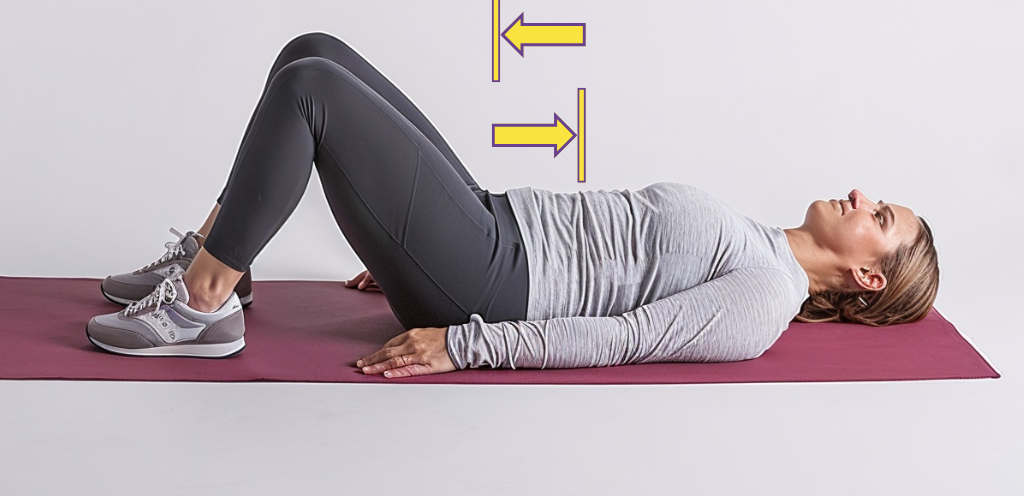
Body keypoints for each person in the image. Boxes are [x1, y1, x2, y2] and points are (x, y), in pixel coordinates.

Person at [86, 32, 940, 376]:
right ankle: (217, 255)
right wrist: (405, 251)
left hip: (492, 285)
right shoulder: (757, 236)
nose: (863, 197)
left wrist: (466, 343)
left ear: (867, 274)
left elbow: (625, 337)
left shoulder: (763, 298)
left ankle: (204, 304)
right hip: (492, 225)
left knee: (312, 92)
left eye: (881, 216)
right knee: (314, 51)